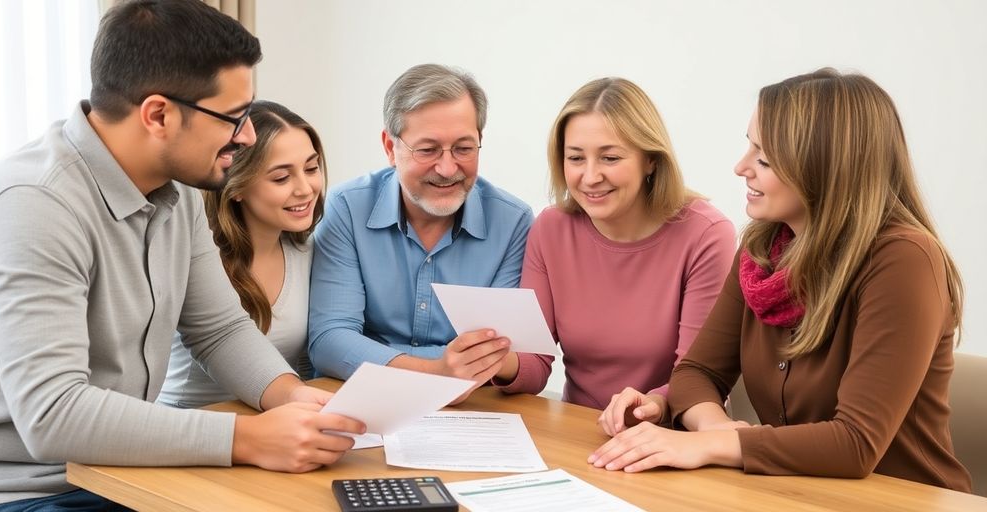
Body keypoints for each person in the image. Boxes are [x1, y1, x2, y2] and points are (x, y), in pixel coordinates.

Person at [0, 2, 364, 510]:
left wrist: (291, 396)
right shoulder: (34, 204)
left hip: (122, 473)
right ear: (158, 114)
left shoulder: (175, 194)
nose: (245, 137)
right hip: (19, 493)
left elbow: (218, 328)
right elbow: (53, 414)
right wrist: (247, 438)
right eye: (234, 118)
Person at [588, 68, 972, 492]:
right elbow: (696, 373)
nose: (740, 168)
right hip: (789, 493)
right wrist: (713, 431)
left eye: (764, 158)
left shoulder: (904, 260)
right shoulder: (761, 249)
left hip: (898, 499)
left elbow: (855, 443)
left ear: (824, 168)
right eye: (748, 147)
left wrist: (717, 445)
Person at [492, 78, 735, 423]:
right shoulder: (550, 229)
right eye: (576, 158)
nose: (590, 177)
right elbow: (533, 365)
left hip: (674, 434)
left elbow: (698, 376)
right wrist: (497, 359)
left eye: (610, 157)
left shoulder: (706, 235)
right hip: (579, 432)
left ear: (650, 160)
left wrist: (653, 403)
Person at [308, 64, 533, 402]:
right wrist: (437, 373)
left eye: (464, 148)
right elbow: (329, 341)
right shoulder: (347, 207)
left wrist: (377, 356)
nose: (447, 168)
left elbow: (495, 350)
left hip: (468, 413)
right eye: (427, 150)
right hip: (360, 401)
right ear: (389, 147)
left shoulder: (513, 221)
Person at [158, 101, 326, 408]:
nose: (305, 188)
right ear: (236, 187)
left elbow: (302, 366)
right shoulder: (196, 259)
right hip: (193, 429)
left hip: (276, 422)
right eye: (281, 177)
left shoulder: (309, 252)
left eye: (311, 168)